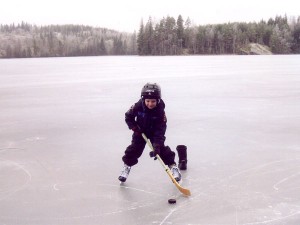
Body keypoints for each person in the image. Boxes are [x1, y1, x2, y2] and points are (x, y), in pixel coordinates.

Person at [118, 82, 181, 183]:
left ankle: (173, 167)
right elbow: (128, 116)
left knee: (161, 150)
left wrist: (157, 144)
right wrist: (134, 127)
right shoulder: (137, 106)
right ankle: (127, 166)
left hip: (155, 133)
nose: (150, 104)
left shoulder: (160, 112)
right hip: (140, 131)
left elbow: (160, 129)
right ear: (143, 99)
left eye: (153, 101)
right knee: (134, 149)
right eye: (147, 101)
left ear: (158, 100)